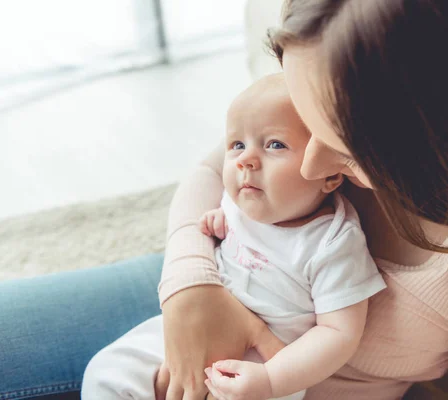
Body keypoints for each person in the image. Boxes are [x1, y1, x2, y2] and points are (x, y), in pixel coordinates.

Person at [0, 0, 448, 399]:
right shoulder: (336, 64)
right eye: (302, 122)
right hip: (207, 271)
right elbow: (208, 172)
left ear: (445, 146)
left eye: (345, 153)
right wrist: (189, 282)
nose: (314, 166)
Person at [80, 73, 386, 400]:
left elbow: (339, 333)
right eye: (237, 145)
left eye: (275, 145)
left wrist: (270, 379)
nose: (245, 160)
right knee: (108, 372)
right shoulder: (240, 203)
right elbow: (214, 202)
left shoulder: (333, 242)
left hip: (257, 371)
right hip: (193, 325)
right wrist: (218, 220)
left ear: (330, 174)